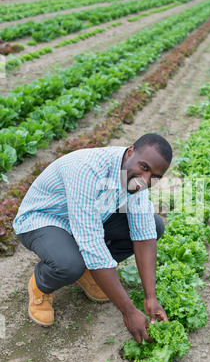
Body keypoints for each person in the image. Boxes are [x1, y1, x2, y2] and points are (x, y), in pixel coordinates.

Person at [13, 133, 172, 344]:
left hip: (90, 216)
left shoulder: (136, 180)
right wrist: (128, 311)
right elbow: (91, 244)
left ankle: (88, 273)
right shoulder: (87, 169)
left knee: (154, 225)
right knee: (69, 264)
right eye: (144, 167)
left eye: (154, 177)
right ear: (131, 151)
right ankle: (41, 285)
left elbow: (143, 235)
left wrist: (150, 297)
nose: (145, 179)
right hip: (44, 218)